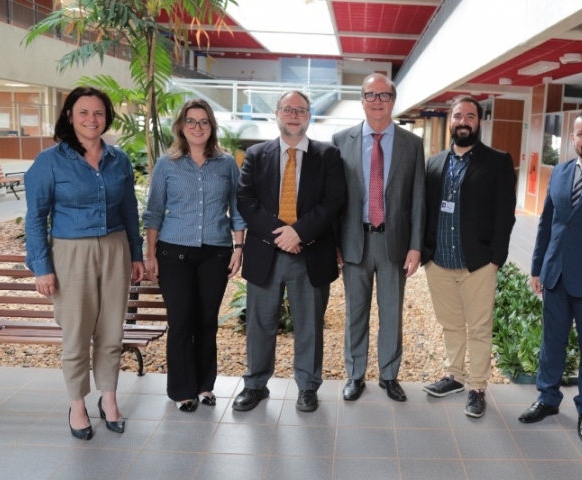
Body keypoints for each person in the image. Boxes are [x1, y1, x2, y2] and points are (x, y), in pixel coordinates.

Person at [24, 86, 144, 440]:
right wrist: (42, 267)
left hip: (115, 249)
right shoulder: (49, 161)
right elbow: (36, 219)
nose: (92, 119)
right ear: (69, 117)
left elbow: (129, 211)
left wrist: (136, 254)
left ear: (107, 117)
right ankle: (77, 404)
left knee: (111, 330)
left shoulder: (118, 159)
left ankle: (109, 398)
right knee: (76, 334)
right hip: (70, 253)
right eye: (84, 113)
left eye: (99, 113)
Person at [233, 90, 346, 412]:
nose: (294, 115)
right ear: (277, 114)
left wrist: (298, 232)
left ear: (309, 116)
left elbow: (333, 202)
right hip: (266, 253)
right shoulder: (256, 154)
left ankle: (308, 387)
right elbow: (246, 200)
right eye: (288, 109)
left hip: (310, 253)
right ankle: (255, 385)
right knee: (260, 324)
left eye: (301, 110)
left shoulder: (328, 156)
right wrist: (281, 234)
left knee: (309, 325)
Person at [143, 98, 246, 412]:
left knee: (206, 322)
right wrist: (150, 254)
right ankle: (181, 391)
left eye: (204, 121)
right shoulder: (167, 164)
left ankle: (204, 386)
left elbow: (238, 210)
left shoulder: (227, 163)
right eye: (191, 121)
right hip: (174, 253)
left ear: (211, 126)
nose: (197, 127)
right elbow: (154, 212)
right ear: (181, 126)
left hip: (215, 253)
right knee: (181, 321)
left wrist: (239, 247)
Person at [421, 96, 517, 418]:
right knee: (450, 324)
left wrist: (495, 259)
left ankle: (477, 386)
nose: (464, 121)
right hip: (439, 262)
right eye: (458, 115)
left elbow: (505, 214)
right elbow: (425, 211)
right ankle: (454, 376)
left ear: (479, 121)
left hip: (477, 263)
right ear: (450, 121)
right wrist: (424, 254)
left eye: (470, 116)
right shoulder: (434, 163)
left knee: (478, 327)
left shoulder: (497, 161)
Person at [332, 73, 425, 403]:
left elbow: (417, 198)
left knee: (391, 314)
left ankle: (389, 375)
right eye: (370, 95)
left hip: (394, 244)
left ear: (393, 101)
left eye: (384, 96)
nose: (377, 101)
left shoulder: (411, 144)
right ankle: (355, 374)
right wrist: (334, 244)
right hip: (354, 242)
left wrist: (416, 245)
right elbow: (334, 199)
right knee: (355, 313)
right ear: (362, 100)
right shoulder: (340, 140)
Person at [518, 109, 582, 444]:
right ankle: (547, 399)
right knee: (551, 344)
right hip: (555, 275)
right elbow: (547, 223)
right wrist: (537, 267)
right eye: (581, 134)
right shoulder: (559, 172)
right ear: (571, 138)